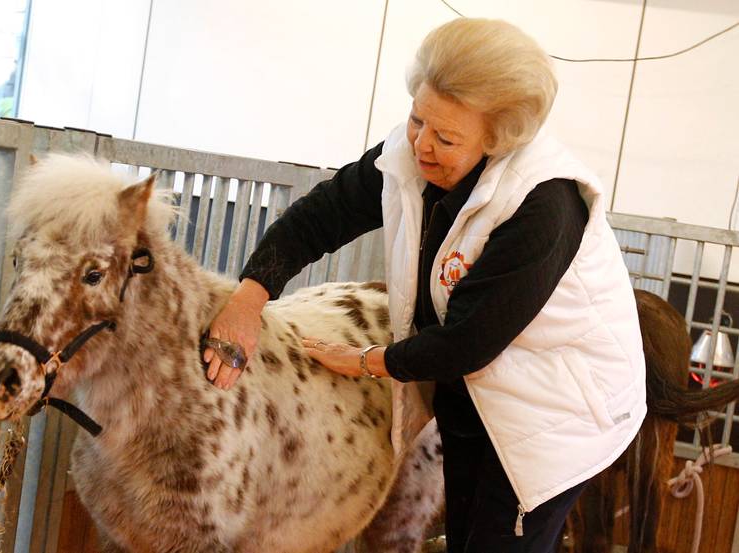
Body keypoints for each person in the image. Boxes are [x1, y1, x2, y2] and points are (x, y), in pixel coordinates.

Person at [204, 17, 646, 553]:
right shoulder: (410, 153)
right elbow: (321, 215)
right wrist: (249, 299)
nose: (422, 146)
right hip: (470, 391)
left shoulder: (544, 204)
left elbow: (471, 340)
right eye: (418, 120)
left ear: (499, 139)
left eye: (446, 137)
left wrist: (368, 360)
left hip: (548, 415)